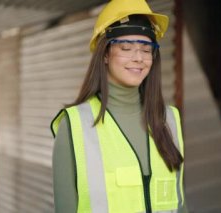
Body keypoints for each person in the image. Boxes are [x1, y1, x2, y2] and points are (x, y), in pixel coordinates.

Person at [51, 0, 186, 212]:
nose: (138, 58)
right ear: (105, 54)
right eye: (126, 47)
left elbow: (179, 205)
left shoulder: (169, 120)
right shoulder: (74, 127)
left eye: (146, 49)